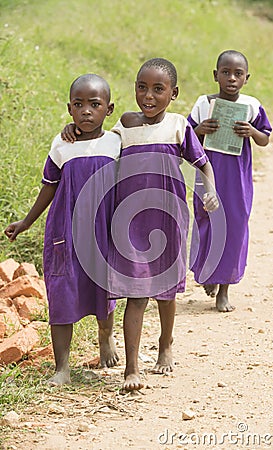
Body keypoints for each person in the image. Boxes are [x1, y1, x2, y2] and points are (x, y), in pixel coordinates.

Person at [61, 58, 219, 391]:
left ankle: (165, 344)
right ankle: (131, 368)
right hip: (129, 220)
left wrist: (211, 191)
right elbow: (97, 137)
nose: (148, 96)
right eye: (142, 87)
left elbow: (203, 164)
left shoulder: (179, 125)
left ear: (173, 94)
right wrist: (71, 130)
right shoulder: (124, 126)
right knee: (135, 294)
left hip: (168, 217)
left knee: (165, 293)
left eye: (158, 90)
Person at [5, 74, 121, 385]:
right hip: (65, 233)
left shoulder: (115, 142)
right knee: (62, 293)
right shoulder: (61, 144)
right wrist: (26, 221)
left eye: (94, 105)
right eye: (79, 105)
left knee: (103, 289)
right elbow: (49, 186)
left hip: (102, 232)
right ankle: (62, 367)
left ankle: (105, 337)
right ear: (69, 109)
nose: (86, 111)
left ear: (108, 110)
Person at [188, 50, 272, 312]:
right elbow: (187, 136)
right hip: (209, 174)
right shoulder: (204, 103)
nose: (232, 78)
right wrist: (200, 130)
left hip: (237, 178)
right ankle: (210, 272)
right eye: (226, 72)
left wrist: (252, 131)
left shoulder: (251, 106)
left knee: (235, 226)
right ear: (216, 75)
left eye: (238, 74)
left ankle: (224, 288)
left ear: (247, 78)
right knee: (207, 223)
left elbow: (265, 138)